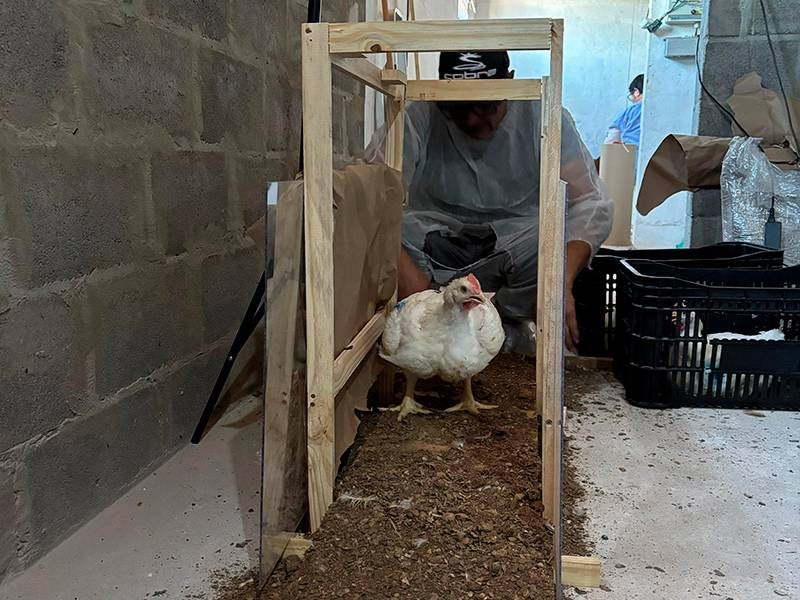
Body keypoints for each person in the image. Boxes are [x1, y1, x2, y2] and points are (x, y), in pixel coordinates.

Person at [367, 51, 613, 354]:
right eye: (460, 109)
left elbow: (590, 202)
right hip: (436, 249)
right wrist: (414, 296)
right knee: (385, 223)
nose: (474, 121)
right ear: (442, 96)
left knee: (552, 230)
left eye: (488, 107)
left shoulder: (544, 118)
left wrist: (560, 279)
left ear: (509, 83)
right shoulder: (419, 117)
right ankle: (436, 329)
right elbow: (370, 194)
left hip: (514, 248)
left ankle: (510, 327)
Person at [604, 74, 644, 146]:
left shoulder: (631, 110)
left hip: (630, 153)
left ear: (636, 92)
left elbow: (613, 136)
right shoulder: (661, 112)